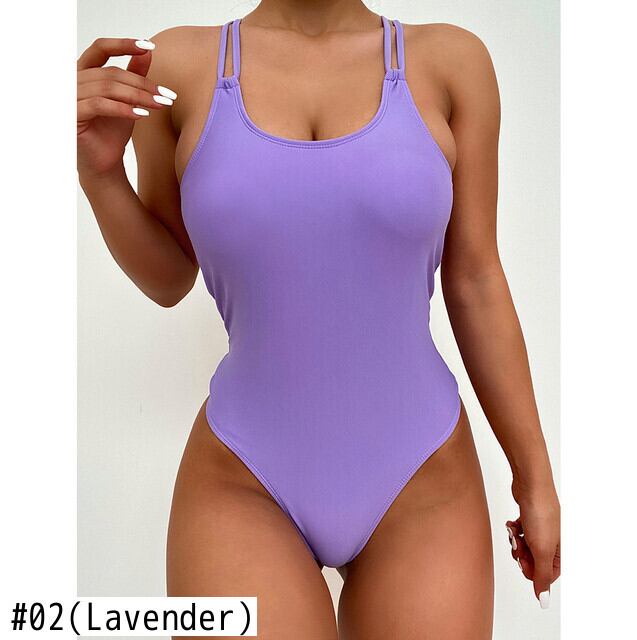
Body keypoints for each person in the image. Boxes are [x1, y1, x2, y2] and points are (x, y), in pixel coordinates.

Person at [77, 1, 560, 637]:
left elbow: (474, 279)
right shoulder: (176, 65)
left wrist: (535, 478)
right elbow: (169, 278)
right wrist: (101, 176)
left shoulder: (451, 62)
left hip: (423, 479)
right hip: (243, 478)